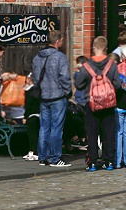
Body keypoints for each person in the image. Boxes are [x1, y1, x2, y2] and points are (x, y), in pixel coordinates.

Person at [73, 36, 120, 171]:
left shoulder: (86, 66)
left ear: (93, 47)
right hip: (109, 103)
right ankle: (109, 161)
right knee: (108, 133)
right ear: (106, 48)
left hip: (92, 103)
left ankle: (92, 161)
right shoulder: (112, 65)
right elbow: (117, 84)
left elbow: (78, 84)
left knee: (92, 133)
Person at [31, 29, 72, 168]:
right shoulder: (60, 57)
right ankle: (55, 158)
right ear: (58, 41)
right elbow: (65, 78)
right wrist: (68, 91)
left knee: (44, 128)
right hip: (57, 96)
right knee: (56, 128)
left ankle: (43, 157)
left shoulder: (38, 57)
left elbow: (35, 78)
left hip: (43, 96)